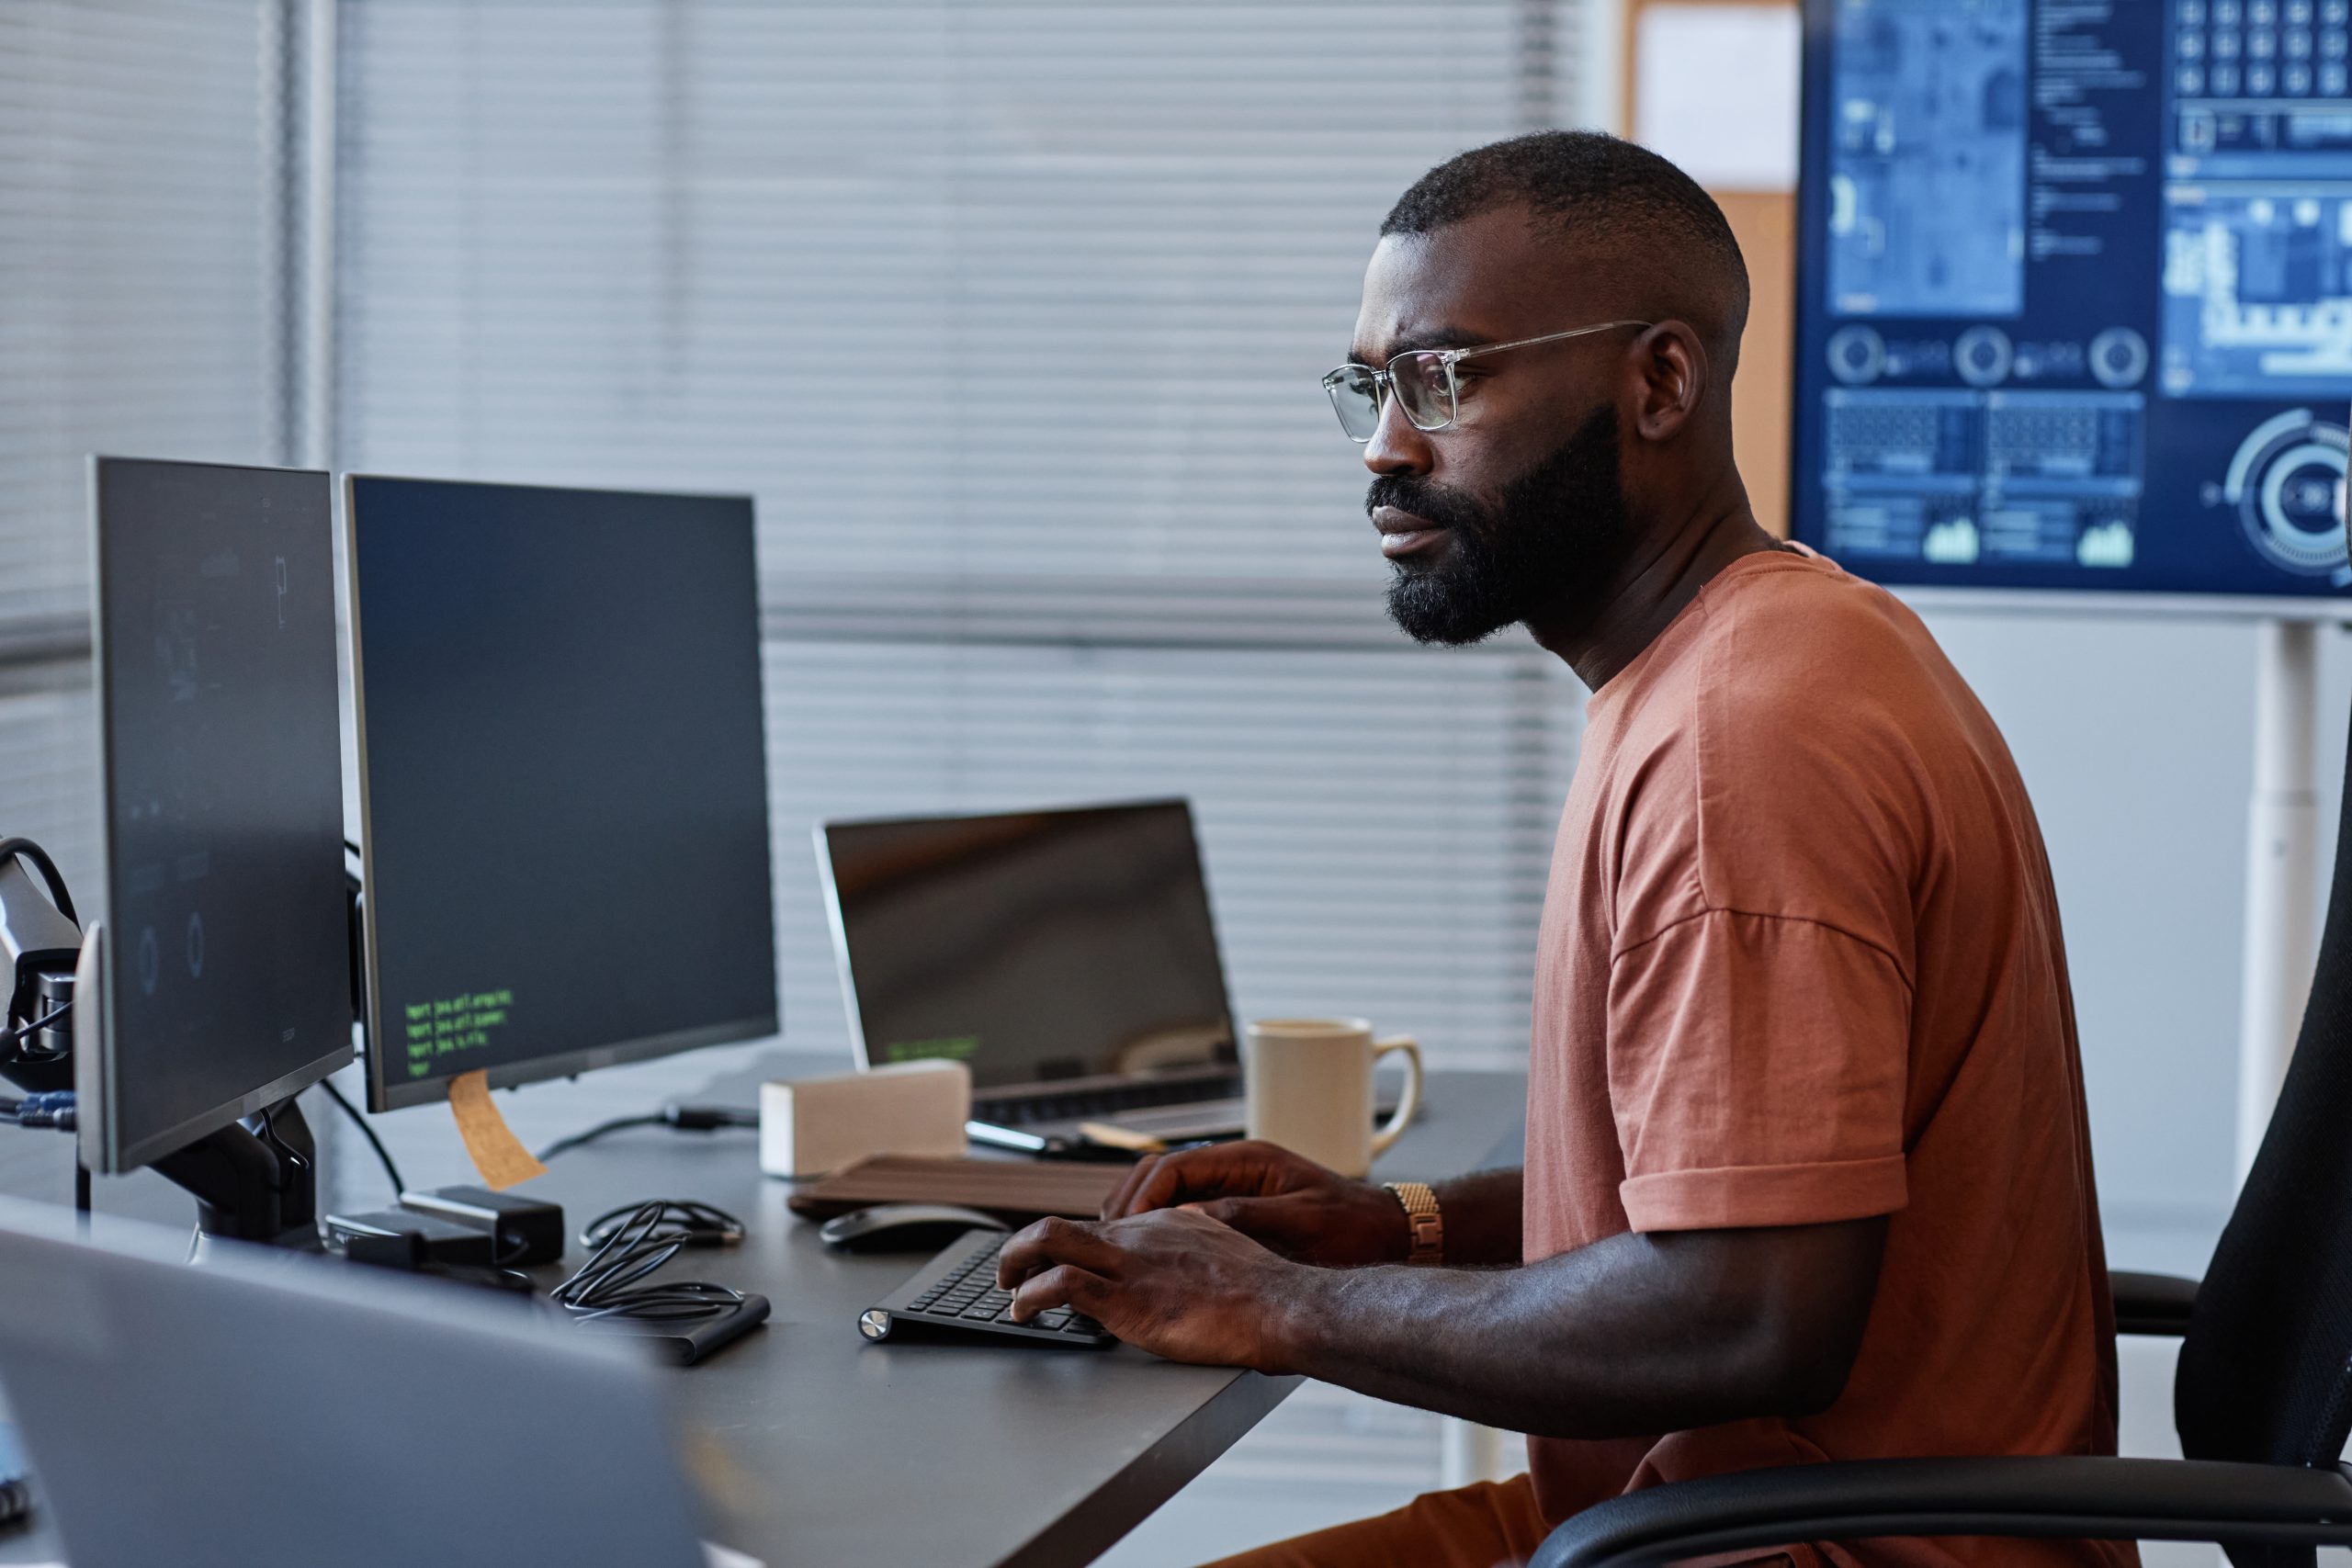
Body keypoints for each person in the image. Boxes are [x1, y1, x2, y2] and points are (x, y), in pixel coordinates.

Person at [997, 130, 2129, 1568]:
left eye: (1444, 377)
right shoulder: (1750, 655)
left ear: (1659, 382)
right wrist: (1386, 1227)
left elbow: (1745, 1311)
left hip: (1799, 1548)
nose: (1384, 445)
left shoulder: (1742, 745)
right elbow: (1719, 1186)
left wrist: (1275, 1306)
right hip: (1661, 1519)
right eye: (1371, 382)